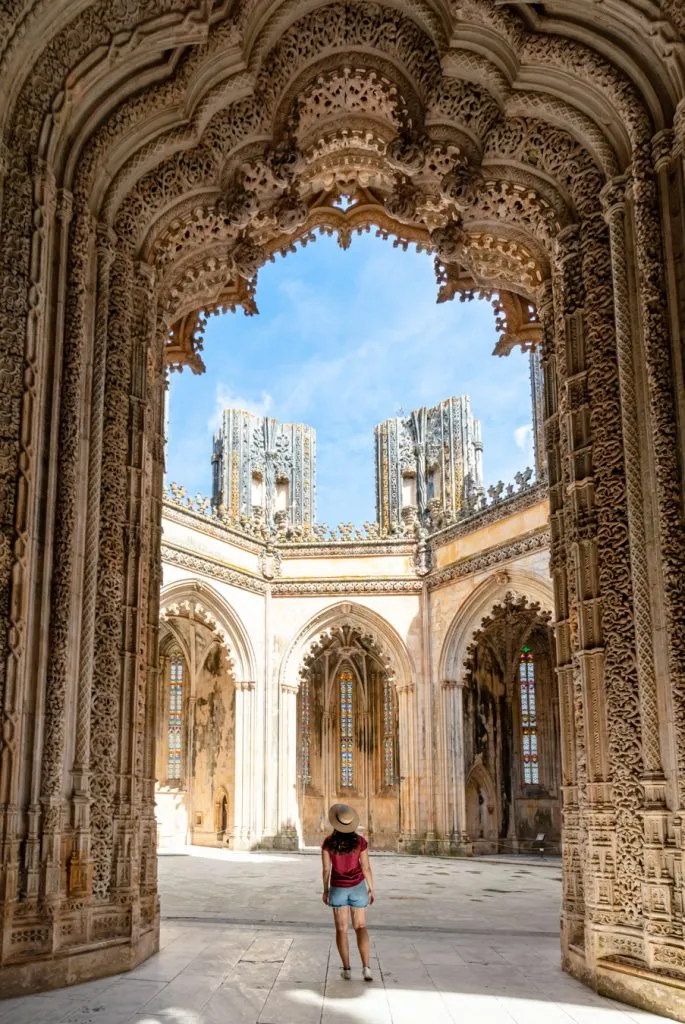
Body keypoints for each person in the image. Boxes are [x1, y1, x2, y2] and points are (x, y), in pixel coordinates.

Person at [321, 803, 375, 981]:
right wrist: (371, 889)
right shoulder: (360, 842)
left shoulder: (328, 843)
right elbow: (366, 867)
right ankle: (366, 967)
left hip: (338, 888)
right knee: (360, 927)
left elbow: (326, 870)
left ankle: (347, 969)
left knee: (342, 930)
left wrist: (325, 890)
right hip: (358, 888)